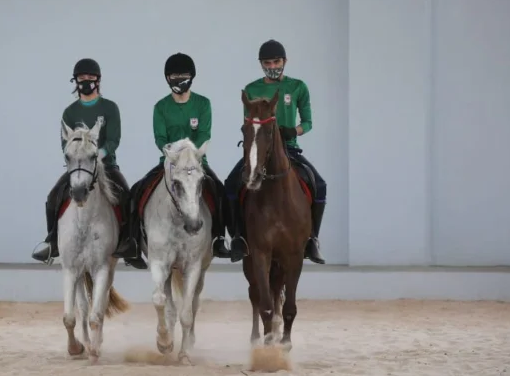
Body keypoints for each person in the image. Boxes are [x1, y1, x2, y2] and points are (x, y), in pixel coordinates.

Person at [31, 57, 146, 269]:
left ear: (98, 81)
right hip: (78, 166)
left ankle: (130, 244)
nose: (86, 81)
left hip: (106, 165)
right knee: (53, 196)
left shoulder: (110, 108)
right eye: (81, 78)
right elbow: (65, 144)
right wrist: (79, 159)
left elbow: (114, 139)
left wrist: (98, 156)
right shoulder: (70, 112)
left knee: (127, 196)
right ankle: (52, 242)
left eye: (90, 78)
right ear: (75, 82)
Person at [225, 39, 327, 264]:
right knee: (231, 183)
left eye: (276, 61)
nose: (272, 66)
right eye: (267, 62)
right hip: (259, 151)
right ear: (261, 64)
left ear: (285, 61)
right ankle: (238, 238)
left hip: (289, 150)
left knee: (319, 185)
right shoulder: (252, 90)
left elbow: (308, 122)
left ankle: (313, 239)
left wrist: (294, 130)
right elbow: (250, 123)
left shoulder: (298, 87)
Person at [126, 52, 230, 260]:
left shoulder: (203, 104)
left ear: (191, 76)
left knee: (220, 193)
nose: (178, 80)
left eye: (183, 75)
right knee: (137, 191)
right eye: (173, 76)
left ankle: (218, 239)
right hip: (169, 164)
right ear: (167, 78)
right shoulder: (161, 107)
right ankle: (133, 243)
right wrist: (174, 155)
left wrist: (189, 155)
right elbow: (160, 138)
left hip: (197, 164)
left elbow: (203, 135)